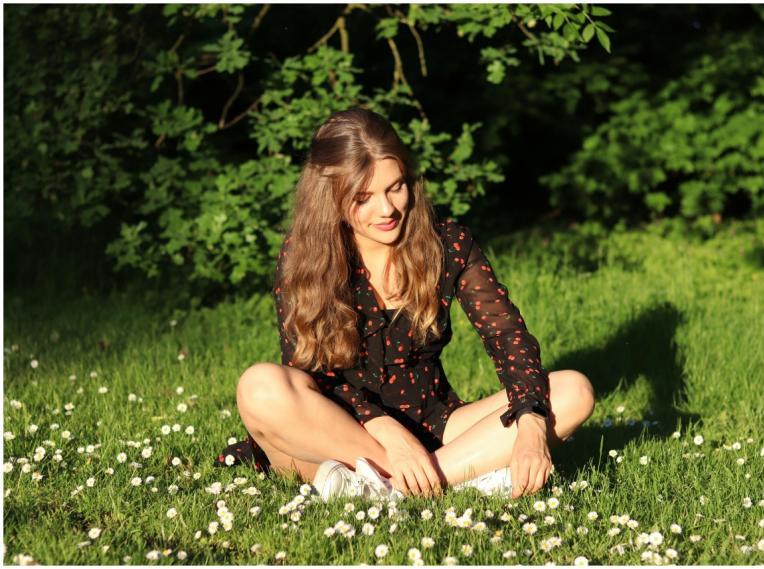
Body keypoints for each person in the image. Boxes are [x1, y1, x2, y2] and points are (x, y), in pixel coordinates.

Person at [215, 107, 595, 501]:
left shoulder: (448, 245)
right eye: (363, 197)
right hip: (337, 433)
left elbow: (507, 339)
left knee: (572, 390)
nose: (387, 209)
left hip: (435, 426)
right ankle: (451, 475)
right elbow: (307, 368)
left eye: (395, 187)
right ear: (331, 198)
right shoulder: (304, 256)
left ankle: (393, 488)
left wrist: (531, 425)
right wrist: (382, 429)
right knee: (260, 387)